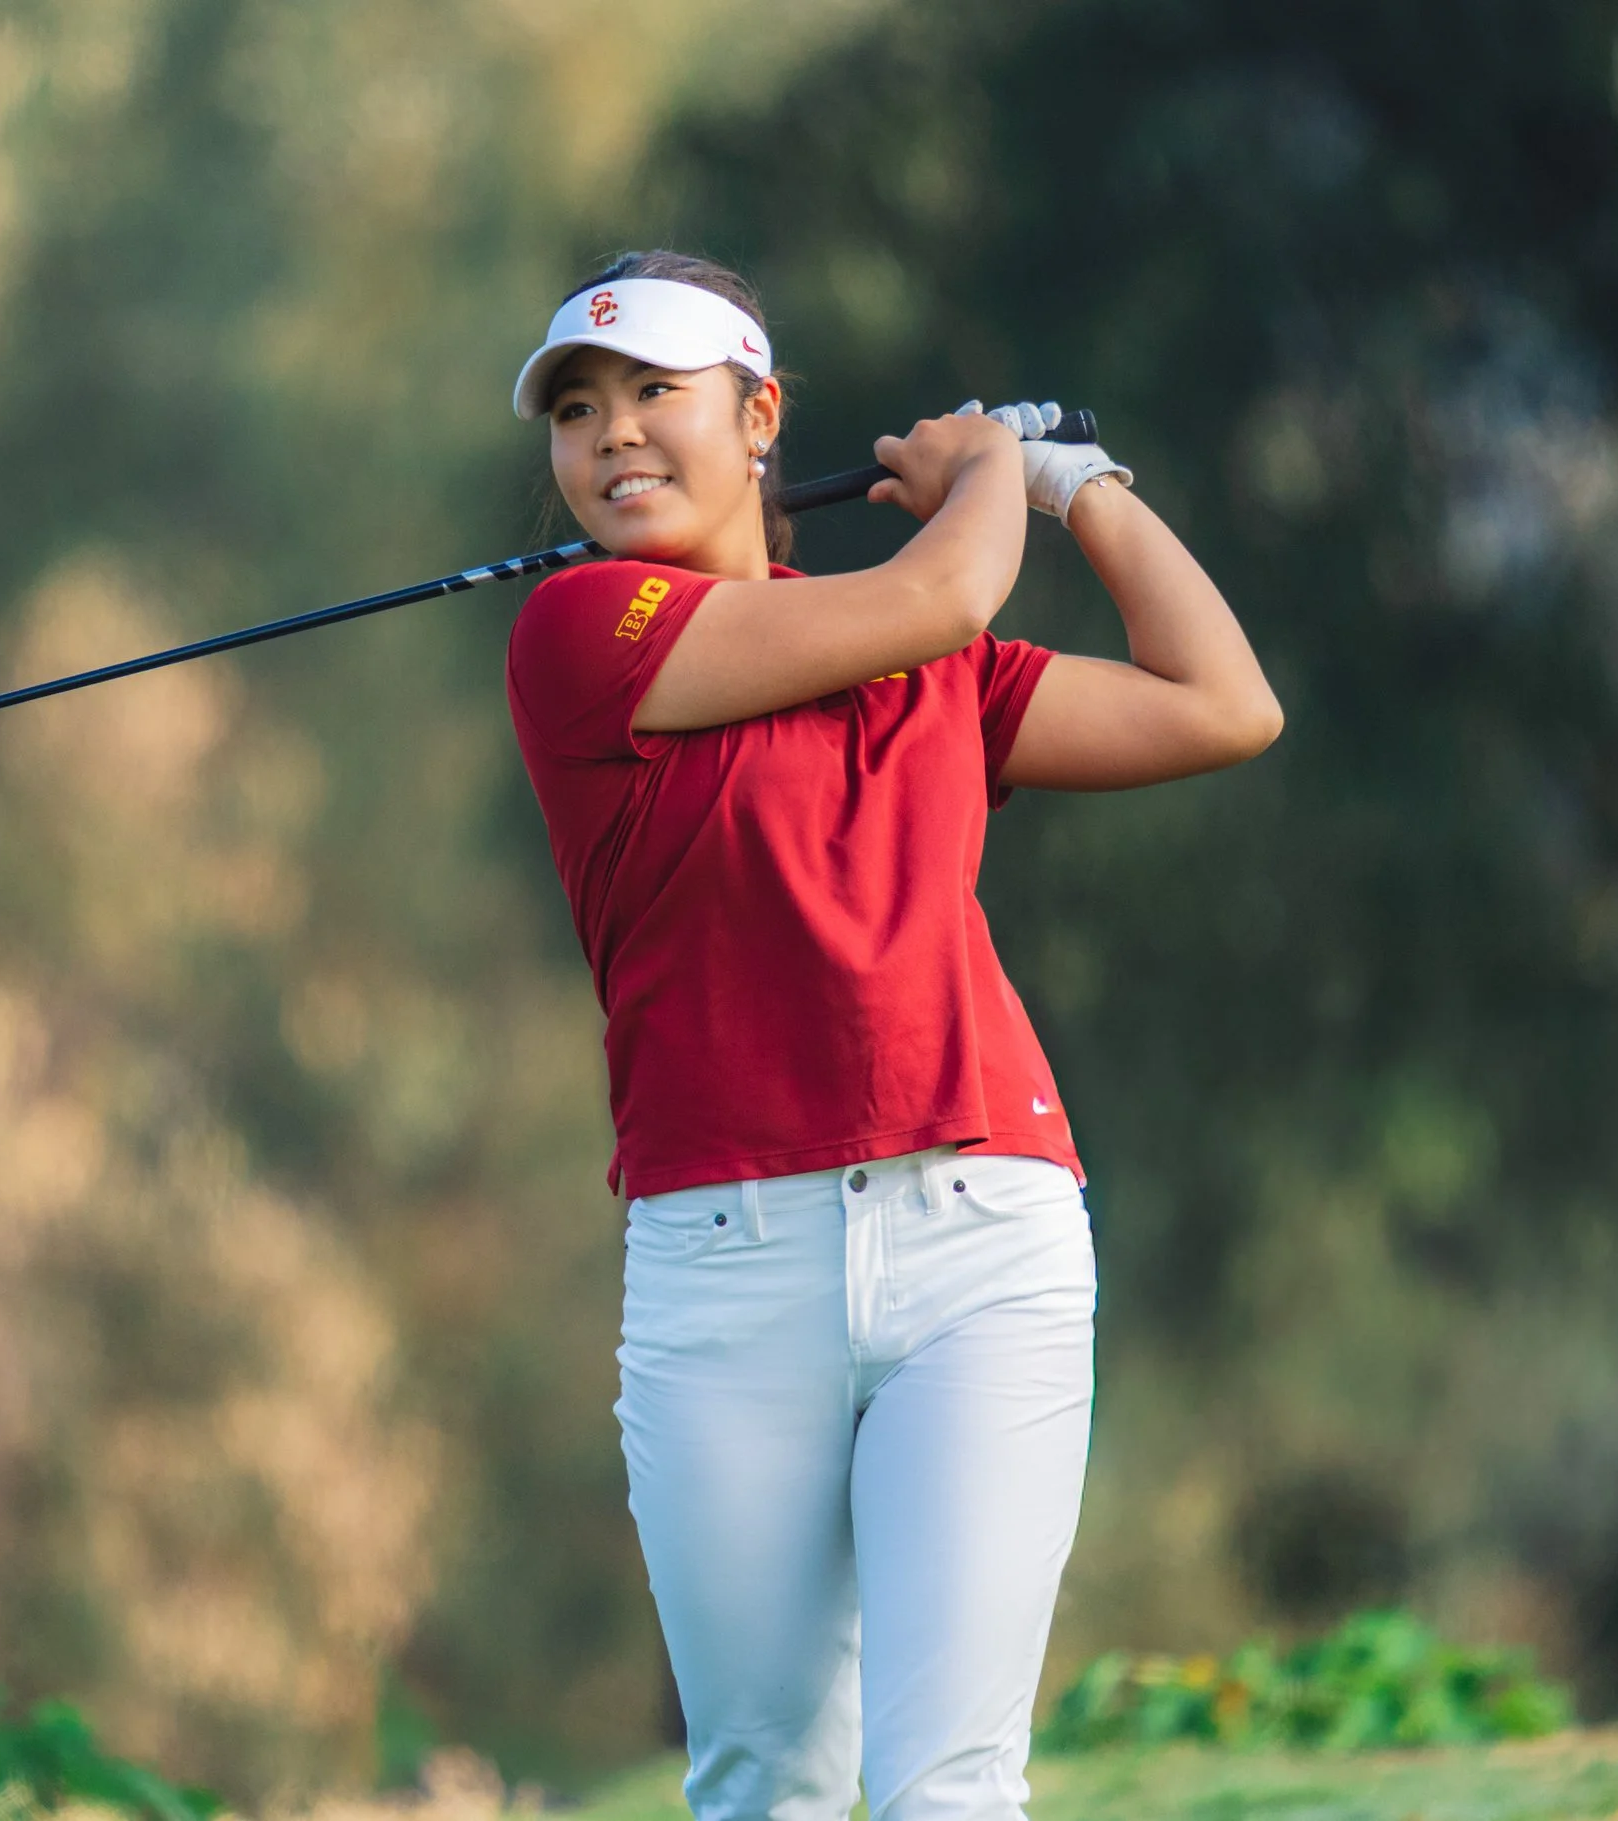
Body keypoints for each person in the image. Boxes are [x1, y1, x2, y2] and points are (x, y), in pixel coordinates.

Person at [503, 250, 1281, 1821]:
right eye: (580, 411)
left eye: (658, 392)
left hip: (982, 1242)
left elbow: (1221, 704)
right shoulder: (581, 635)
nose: (615, 437)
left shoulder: (931, 674)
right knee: (766, 1783)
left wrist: (1083, 487)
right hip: (723, 1266)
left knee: (950, 1785)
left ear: (761, 415)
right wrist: (993, 469)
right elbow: (942, 585)